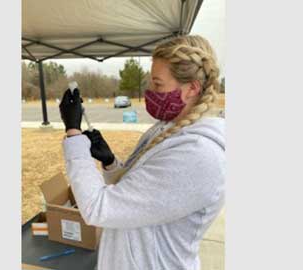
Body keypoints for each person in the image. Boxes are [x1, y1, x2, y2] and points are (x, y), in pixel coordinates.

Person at [59, 35, 225, 270]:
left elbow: (98, 208)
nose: (150, 91)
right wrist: (111, 164)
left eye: (158, 84)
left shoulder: (199, 155)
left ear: (192, 89)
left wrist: (74, 133)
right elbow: (140, 194)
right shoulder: (167, 127)